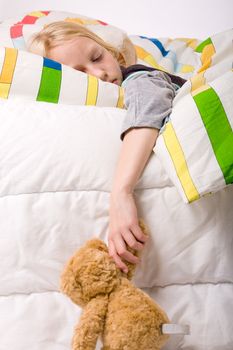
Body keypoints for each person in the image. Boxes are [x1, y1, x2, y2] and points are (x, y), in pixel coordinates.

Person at [29, 21, 186, 274]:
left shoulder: (138, 78)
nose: (99, 73)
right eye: (80, 74)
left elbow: (148, 109)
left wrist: (121, 193)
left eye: (97, 57)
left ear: (111, 52)